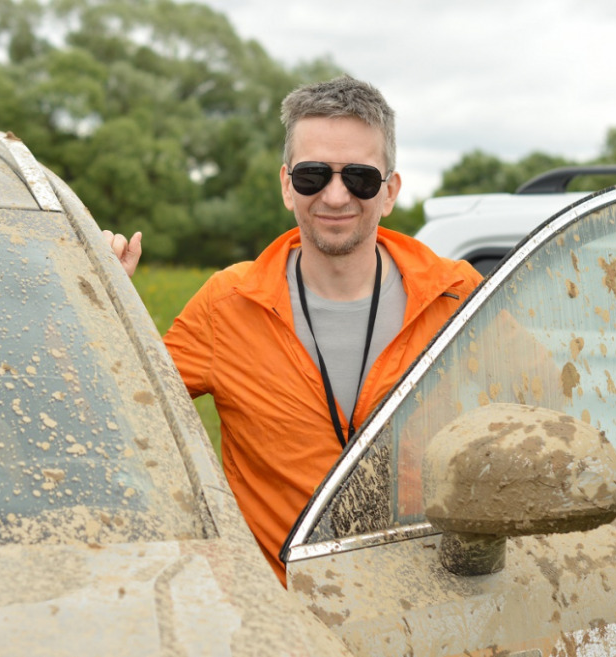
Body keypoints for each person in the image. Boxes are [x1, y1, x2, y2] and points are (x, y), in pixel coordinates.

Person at [105, 76, 482, 585]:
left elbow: (544, 415)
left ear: (389, 192)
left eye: (360, 178)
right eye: (312, 175)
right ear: (287, 185)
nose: (334, 194)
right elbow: (121, 401)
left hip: (426, 608)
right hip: (284, 619)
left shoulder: (459, 295)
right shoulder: (228, 304)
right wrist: (103, 300)